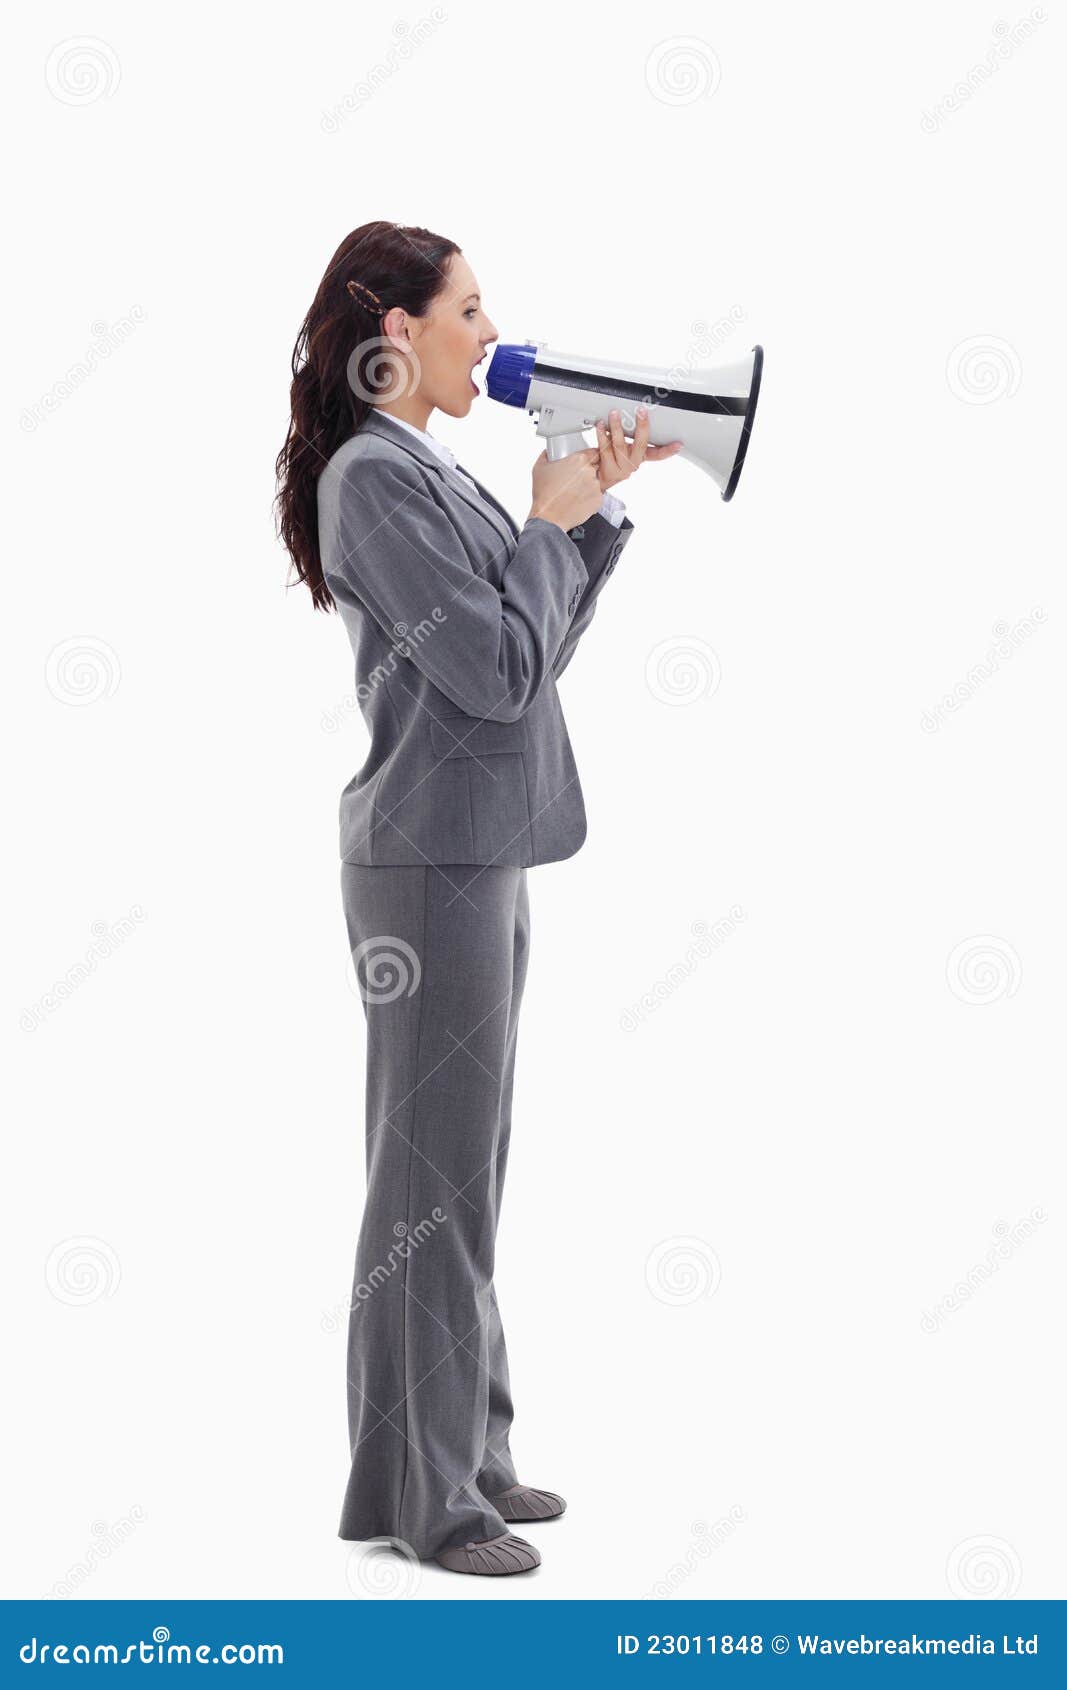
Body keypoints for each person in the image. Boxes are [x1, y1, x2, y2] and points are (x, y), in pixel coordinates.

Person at [275, 220, 680, 1576]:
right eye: (469, 306)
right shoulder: (371, 481)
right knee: (428, 1185)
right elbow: (502, 668)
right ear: (395, 331)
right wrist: (553, 516)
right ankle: (422, 1494)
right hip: (429, 863)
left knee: (465, 1167)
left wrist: (597, 508)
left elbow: (527, 640)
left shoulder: (422, 470)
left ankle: (470, 1449)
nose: (490, 329)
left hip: (477, 848)